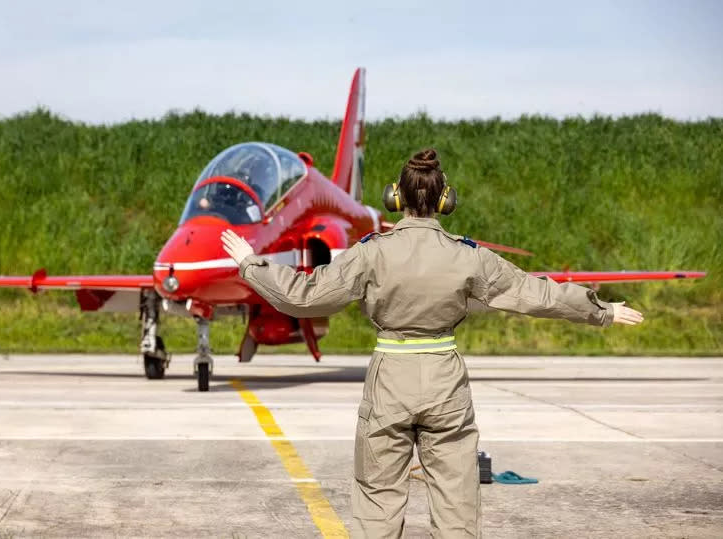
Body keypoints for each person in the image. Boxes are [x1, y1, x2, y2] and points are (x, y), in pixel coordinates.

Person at [220, 148, 644, 538]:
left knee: (376, 502)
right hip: (445, 382)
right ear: (446, 201)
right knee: (457, 504)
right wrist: (600, 311)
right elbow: (536, 293)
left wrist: (250, 265)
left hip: (390, 383)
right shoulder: (469, 255)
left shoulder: (371, 252)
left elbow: (304, 296)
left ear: (395, 198)